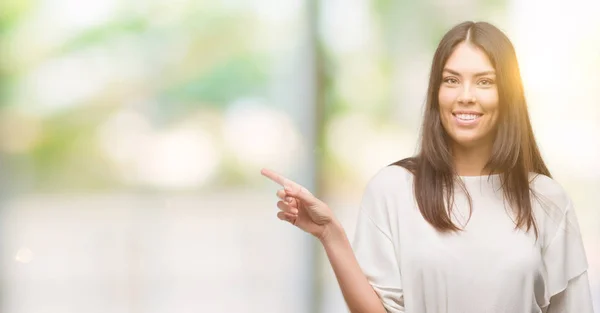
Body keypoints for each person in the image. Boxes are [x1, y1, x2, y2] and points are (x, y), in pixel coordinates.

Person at [261, 21, 594, 313]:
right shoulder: (393, 188)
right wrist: (329, 233)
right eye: (451, 80)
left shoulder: (547, 199)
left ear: (508, 94)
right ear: (436, 92)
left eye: (484, 82)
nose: (465, 95)